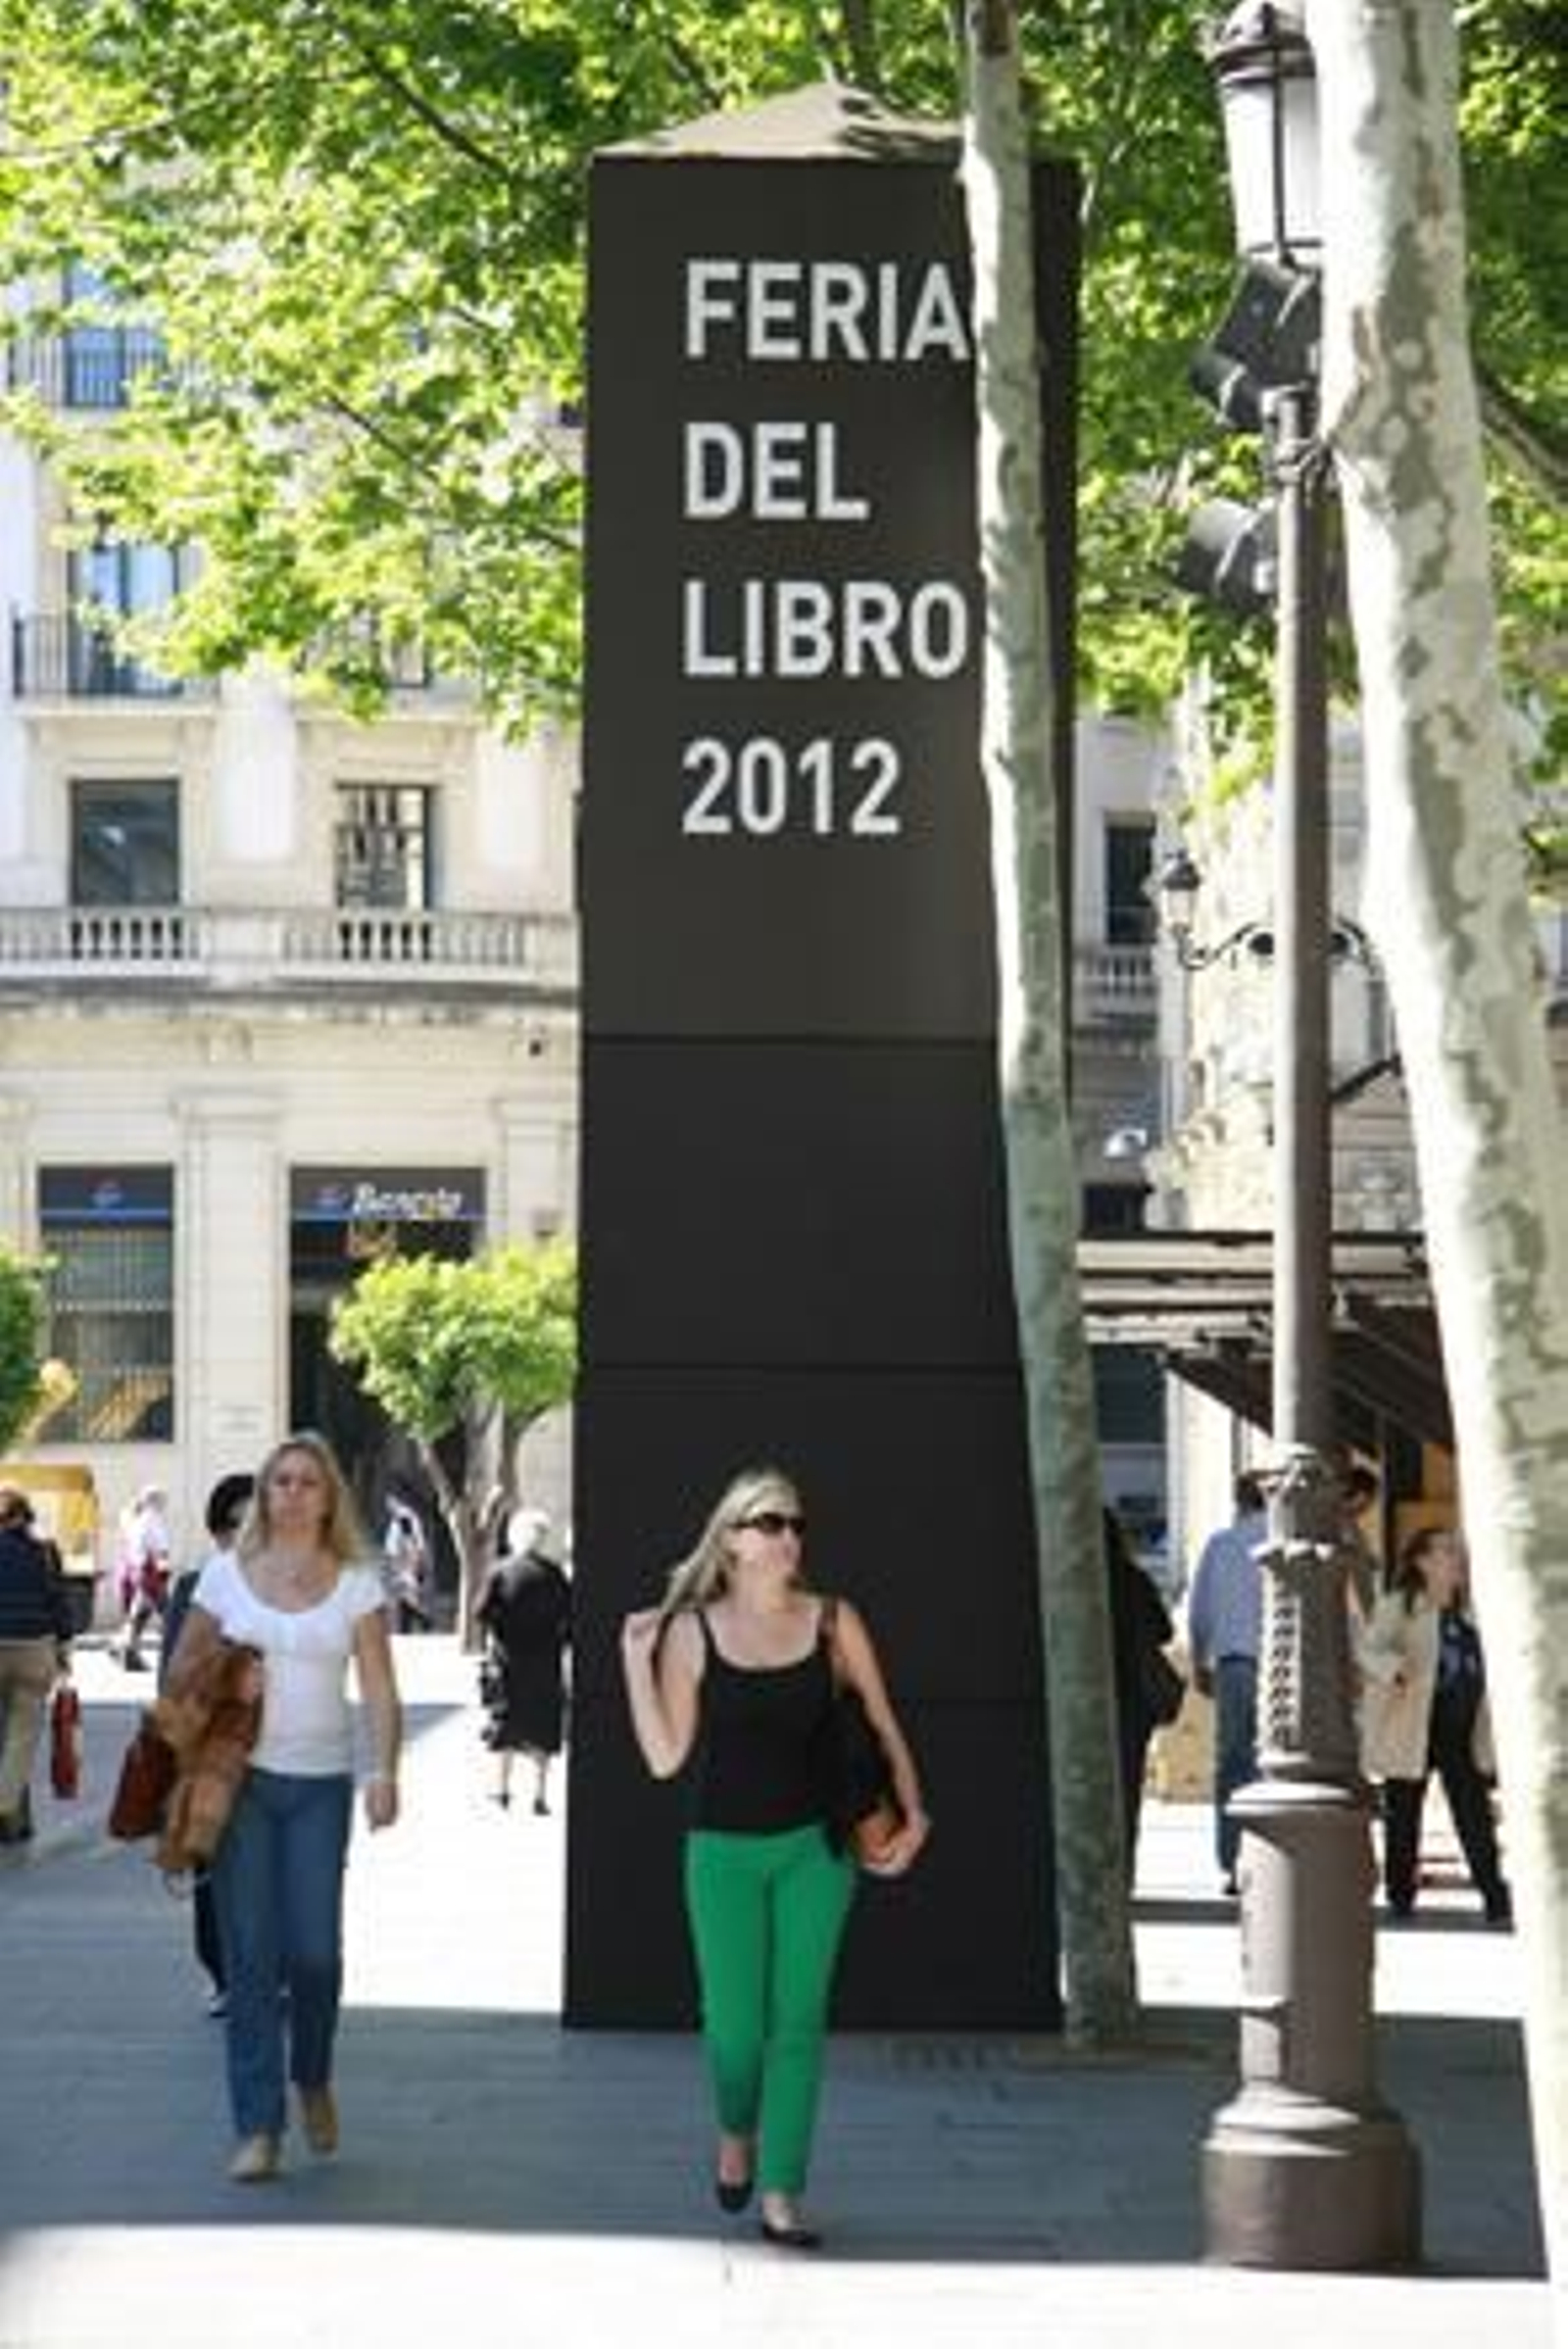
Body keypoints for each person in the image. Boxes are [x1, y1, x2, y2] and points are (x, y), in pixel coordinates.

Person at [620, 1465, 929, 2252]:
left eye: (793, 1523)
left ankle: (783, 2188)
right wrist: (633, 1663)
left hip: (814, 1849)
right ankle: (735, 2128)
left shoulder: (833, 1621)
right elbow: (664, 1758)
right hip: (720, 1852)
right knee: (732, 2025)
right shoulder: (691, 1631)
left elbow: (884, 1724)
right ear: (730, 1540)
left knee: (798, 2022)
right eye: (769, 1523)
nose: (788, 1537)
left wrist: (915, 1810)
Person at [165, 1431, 403, 2181]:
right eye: (281, 1481)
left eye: (308, 1481)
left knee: (316, 1954)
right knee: (250, 1956)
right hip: (241, 1784)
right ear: (264, 1494)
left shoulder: (356, 1580)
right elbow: (178, 1669)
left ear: (329, 1495)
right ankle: (259, 2125)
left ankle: (314, 2075)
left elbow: (380, 1684)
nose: (293, 1493)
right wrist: (229, 1679)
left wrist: (385, 1767)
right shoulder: (225, 1578)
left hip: (319, 1786)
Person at [1358, 1525, 1511, 1927]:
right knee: (1403, 1813)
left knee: (1473, 1812)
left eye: (1458, 1551)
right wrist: (1398, 1671)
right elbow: (1368, 1650)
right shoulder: (1400, 1605)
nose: (1457, 1558)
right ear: (1422, 1561)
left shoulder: (1471, 1612)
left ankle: (1495, 1894)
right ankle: (1400, 1895)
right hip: (1414, 1723)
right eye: (1447, 1551)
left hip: (1460, 1728)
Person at [161, 1472, 258, 2016]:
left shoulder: (289, 1587)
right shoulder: (193, 1587)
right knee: (211, 1866)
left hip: (274, 1753)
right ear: (219, 1532)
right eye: (239, 1525)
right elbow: (173, 1675)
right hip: (210, 1750)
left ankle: (271, 1969)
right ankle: (222, 1972)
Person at [1186, 1470, 1268, 1896]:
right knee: (1274, 1762)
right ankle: (1268, 1857)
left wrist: (1199, 1663)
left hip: (1234, 1664)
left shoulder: (1220, 1545)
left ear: (1237, 1501)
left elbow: (1200, 1611)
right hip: (1278, 1666)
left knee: (1233, 1762)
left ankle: (1232, 1859)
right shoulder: (1279, 1544)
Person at [477, 1506, 571, 1814]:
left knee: (505, 1724)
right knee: (542, 1728)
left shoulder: (500, 1571)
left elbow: (482, 1613)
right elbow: (570, 1620)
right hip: (545, 1664)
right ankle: (540, 1795)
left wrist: (499, 1631)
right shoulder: (556, 1575)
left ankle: (502, 1790)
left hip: (508, 1662)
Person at [1103, 1506, 1180, 1867]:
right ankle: (1124, 1874)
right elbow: (1165, 1631)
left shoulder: (1066, 1584)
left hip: (1088, 1705)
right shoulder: (1133, 1578)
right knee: (1127, 1792)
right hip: (1132, 1699)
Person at [0, 1487, 74, 1845]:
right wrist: (64, 1647)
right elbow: (58, 1601)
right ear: (23, 1518)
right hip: (35, 1648)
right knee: (21, 1736)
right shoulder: (44, 1552)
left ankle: (10, 1815)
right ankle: (7, 1806)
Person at [116, 1484, 172, 1671]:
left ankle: (126, 1650)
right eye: (160, 1499)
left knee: (140, 1615)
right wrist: (163, 1568)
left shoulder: (140, 1520)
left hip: (143, 1571)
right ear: (153, 1501)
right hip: (151, 1571)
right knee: (169, 1614)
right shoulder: (151, 1519)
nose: (164, 1503)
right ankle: (173, 1653)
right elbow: (159, 1548)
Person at [381, 1493, 432, 1633]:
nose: (389, 1506)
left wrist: (408, 1562)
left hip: (404, 1563)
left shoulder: (404, 1516)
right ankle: (411, 1624)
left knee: (406, 1594)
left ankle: (422, 1620)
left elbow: (409, 1543)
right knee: (404, 1596)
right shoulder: (402, 1517)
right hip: (402, 1563)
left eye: (391, 1502)